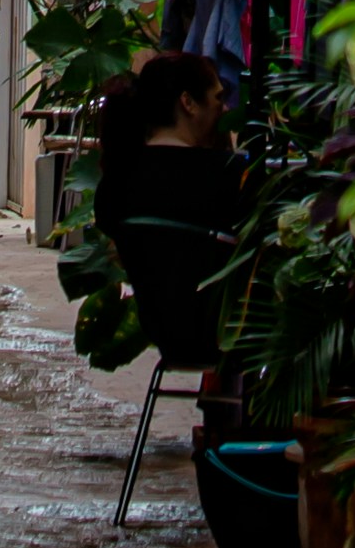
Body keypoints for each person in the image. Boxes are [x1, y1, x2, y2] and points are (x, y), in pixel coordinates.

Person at [92, 50, 247, 366]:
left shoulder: (119, 178)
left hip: (163, 330)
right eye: (218, 98)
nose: (224, 108)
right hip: (228, 332)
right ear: (188, 103)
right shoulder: (229, 175)